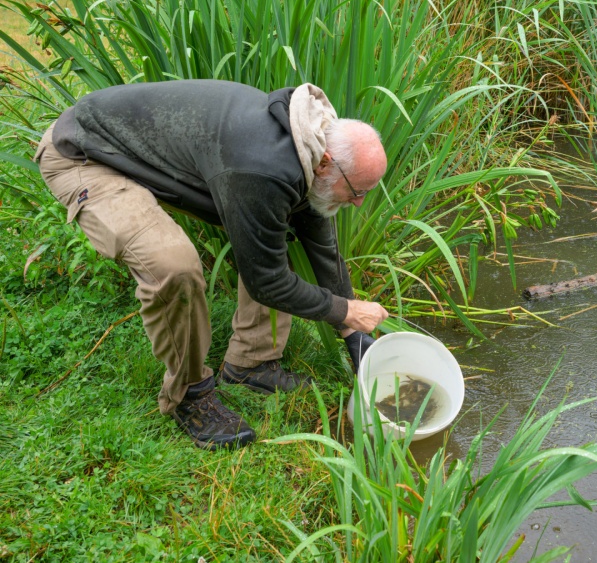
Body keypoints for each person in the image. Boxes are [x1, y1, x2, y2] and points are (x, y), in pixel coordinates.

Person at [34, 80, 390, 450]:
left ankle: (250, 365)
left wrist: (353, 331)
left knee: (270, 234)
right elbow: (266, 282)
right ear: (328, 163)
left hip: (143, 153)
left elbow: (318, 238)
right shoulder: (264, 167)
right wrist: (343, 309)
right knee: (172, 265)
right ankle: (189, 394)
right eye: (358, 192)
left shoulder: (311, 142)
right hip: (85, 154)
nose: (360, 203)